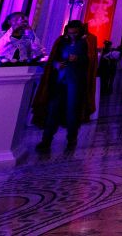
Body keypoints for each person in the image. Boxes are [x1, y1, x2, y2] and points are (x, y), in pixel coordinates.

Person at [33, 21, 98, 152]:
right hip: (59, 80)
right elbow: (54, 58)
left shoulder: (86, 42)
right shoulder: (61, 41)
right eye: (70, 33)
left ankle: (71, 139)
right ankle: (46, 140)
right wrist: (56, 64)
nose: (72, 35)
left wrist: (78, 59)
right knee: (53, 110)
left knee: (72, 111)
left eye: (75, 33)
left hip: (76, 82)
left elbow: (90, 61)